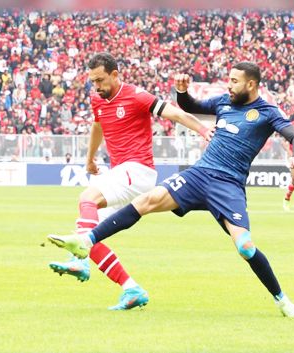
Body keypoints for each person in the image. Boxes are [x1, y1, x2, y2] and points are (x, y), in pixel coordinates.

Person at [48, 62, 294, 317]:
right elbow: (191, 106)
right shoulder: (224, 102)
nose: (229, 85)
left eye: (234, 81)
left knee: (245, 247)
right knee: (148, 200)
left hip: (229, 184)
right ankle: (86, 241)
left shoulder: (267, 111)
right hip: (199, 174)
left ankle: (282, 301)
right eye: (228, 80)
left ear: (251, 84)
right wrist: (182, 91)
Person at [47, 52, 213, 310]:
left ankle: (79, 260)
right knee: (90, 235)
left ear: (115, 74)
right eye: (93, 81)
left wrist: (203, 130)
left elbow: (174, 113)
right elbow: (98, 126)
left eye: (101, 80)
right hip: (122, 171)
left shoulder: (136, 96)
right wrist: (90, 159)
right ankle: (131, 289)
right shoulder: (97, 98)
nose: (97, 86)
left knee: (86, 199)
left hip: (138, 170)